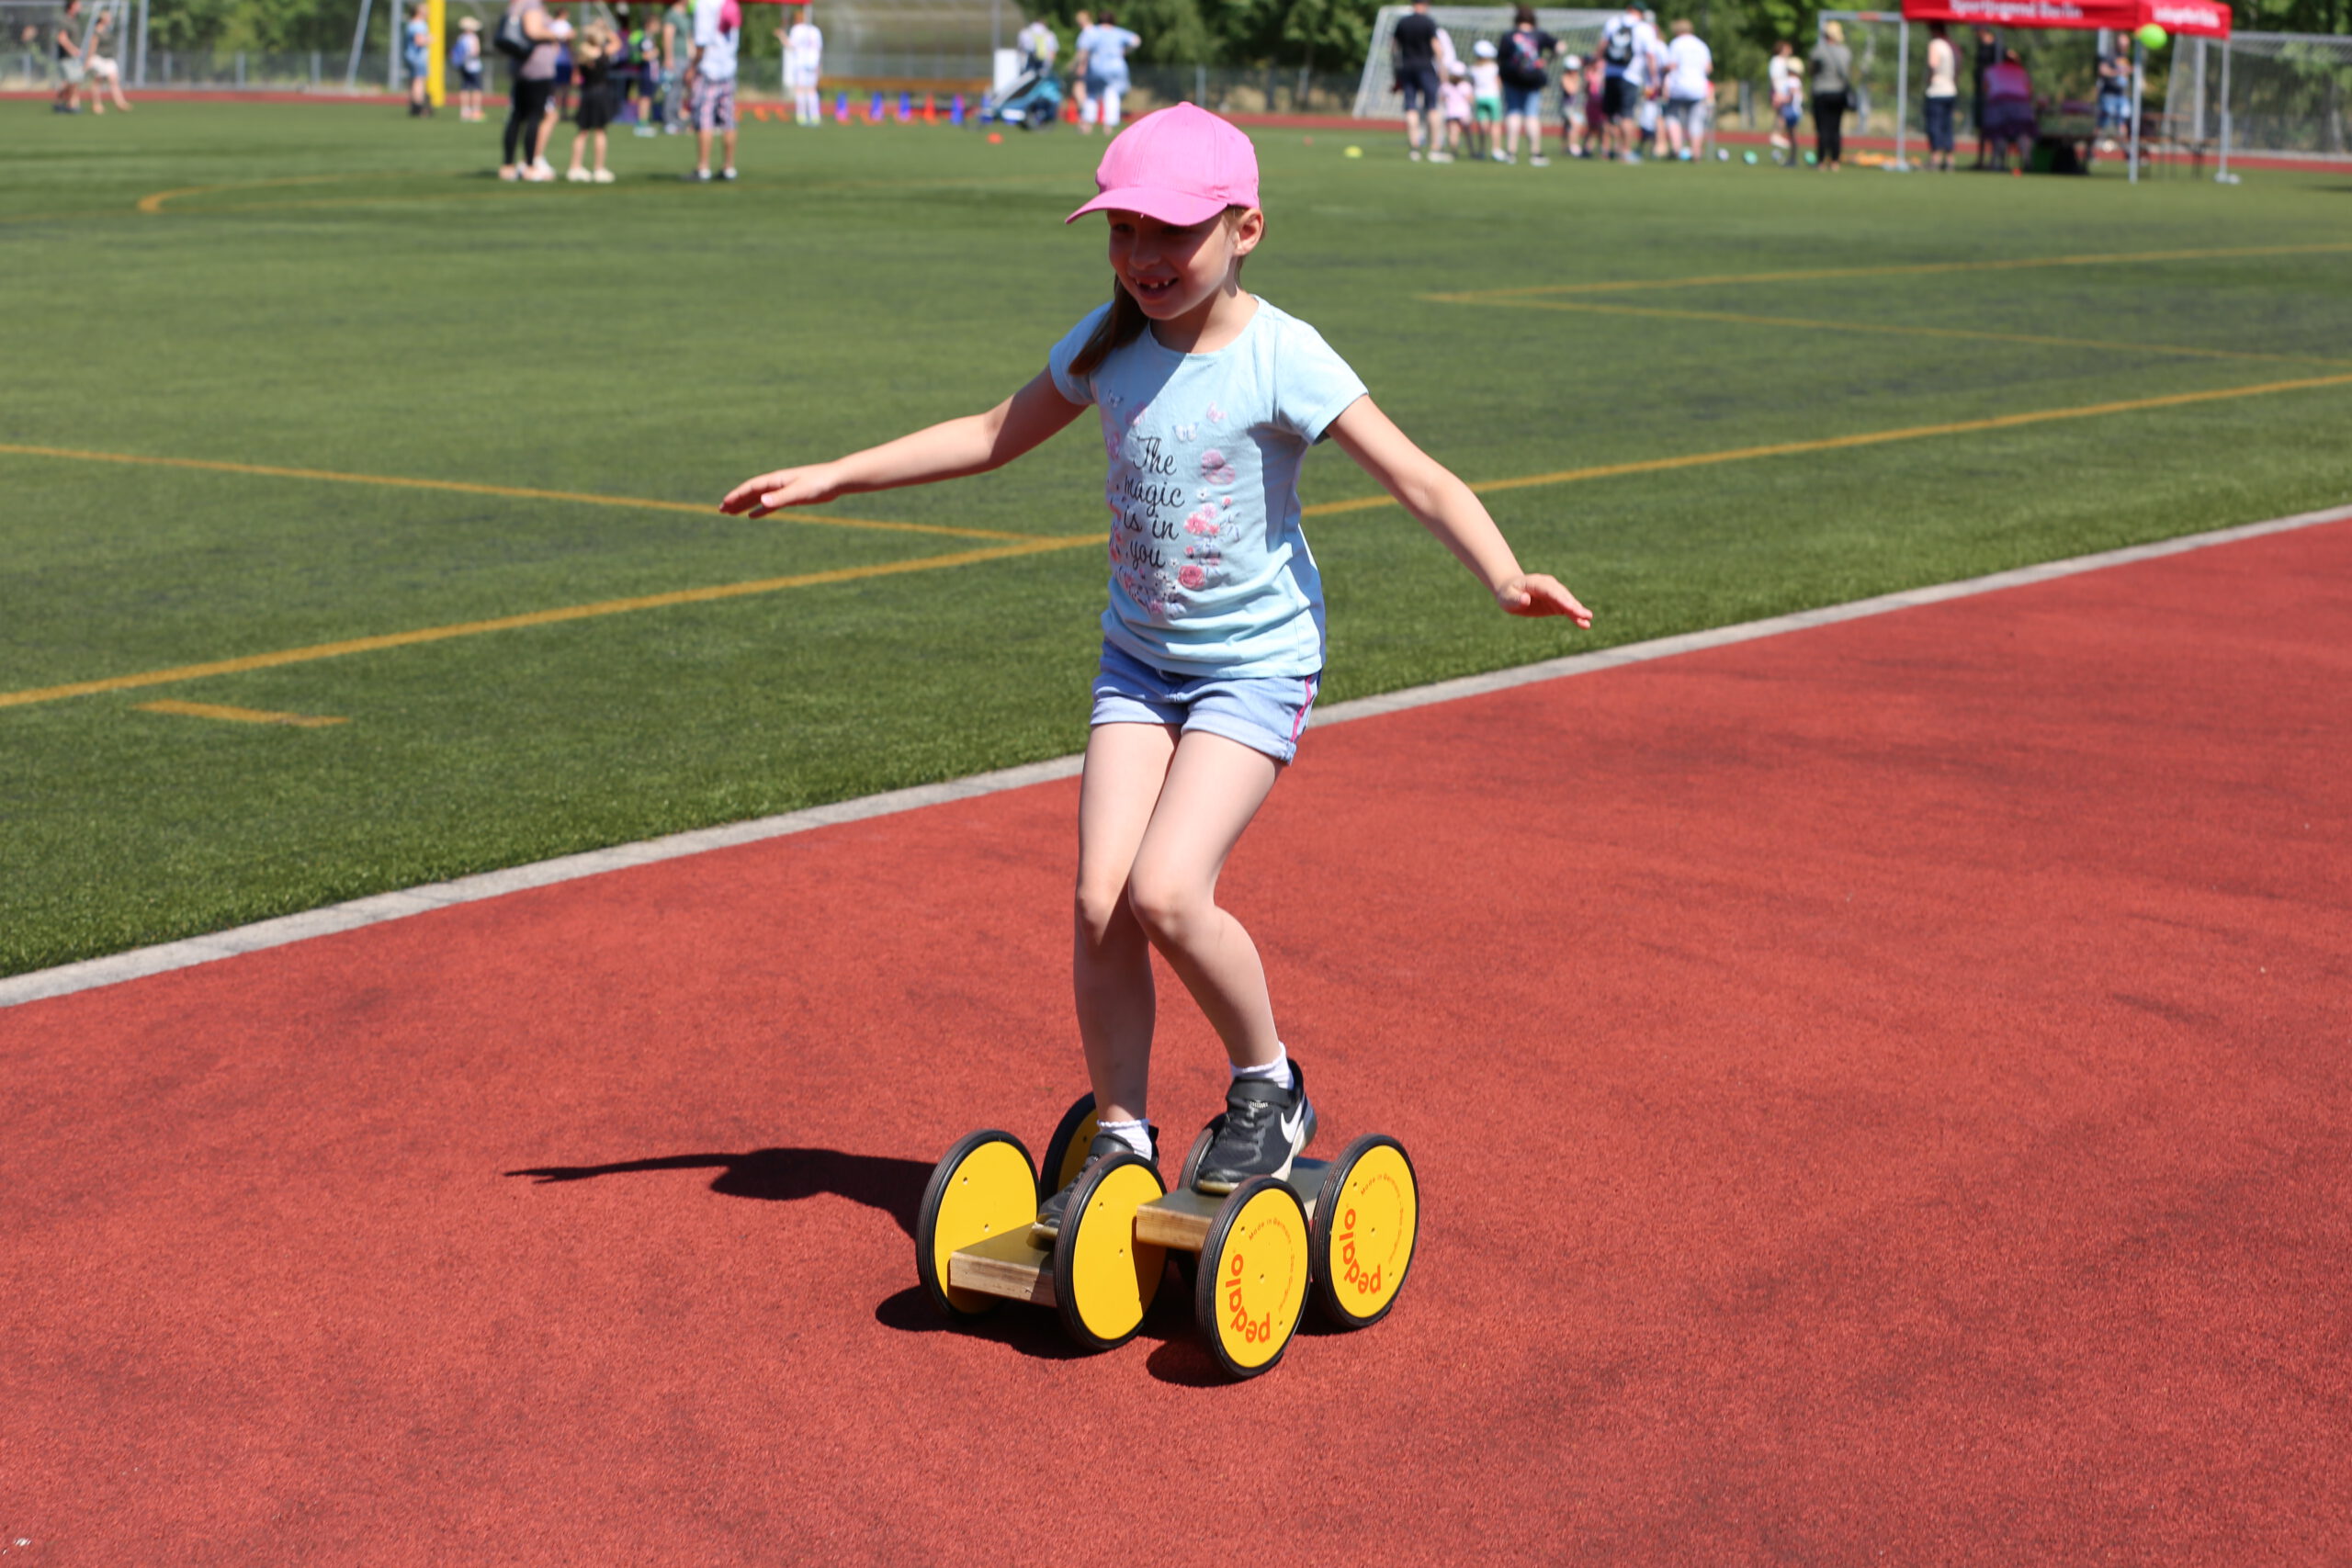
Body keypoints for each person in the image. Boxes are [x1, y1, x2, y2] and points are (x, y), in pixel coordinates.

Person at [718, 105, 1590, 1234]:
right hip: (1137, 663)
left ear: (1247, 229)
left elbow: (1416, 476)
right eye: (1123, 232)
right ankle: (1121, 1131)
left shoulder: (1284, 354)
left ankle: (1268, 1083)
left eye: (1172, 234)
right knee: (1096, 902)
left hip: (1251, 670)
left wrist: (1504, 573)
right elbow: (992, 431)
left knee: (1168, 892)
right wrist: (835, 475)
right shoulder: (1107, 343)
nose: (1143, 259)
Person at [498, 0, 569, 182]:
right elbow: (533, 31)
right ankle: (529, 165)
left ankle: (509, 165)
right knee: (534, 117)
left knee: (518, 116)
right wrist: (556, 35)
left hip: (523, 68)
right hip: (537, 69)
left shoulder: (517, 5)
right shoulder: (531, 5)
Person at [1498, 6, 1558, 165]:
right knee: (1531, 115)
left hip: (1512, 78)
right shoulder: (1539, 34)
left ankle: (1511, 152)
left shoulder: (1508, 35)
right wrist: (1547, 60)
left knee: (1513, 113)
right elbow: (1559, 46)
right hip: (1532, 79)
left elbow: (1501, 59)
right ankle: (1535, 153)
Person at [688, 0, 739, 181]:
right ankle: (729, 167)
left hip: (709, 68)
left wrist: (692, 67)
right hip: (728, 68)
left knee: (704, 118)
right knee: (728, 121)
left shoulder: (704, 4)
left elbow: (702, 41)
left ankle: (703, 167)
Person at [566, 17, 620, 181]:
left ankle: (574, 167)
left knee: (582, 132)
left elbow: (575, 80)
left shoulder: (581, 54)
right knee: (600, 131)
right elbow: (618, 42)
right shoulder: (603, 52)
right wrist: (605, 29)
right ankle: (599, 168)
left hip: (587, 94)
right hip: (601, 93)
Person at [1390, 0, 1443, 163]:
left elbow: (1393, 48)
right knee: (1432, 108)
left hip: (1407, 67)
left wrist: (1396, 70)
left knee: (1410, 107)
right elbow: (1437, 47)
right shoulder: (1428, 22)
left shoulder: (1403, 22)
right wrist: (1441, 68)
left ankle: (1414, 149)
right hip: (1426, 68)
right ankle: (1435, 149)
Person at [1596, 2, 1649, 160]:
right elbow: (1650, 55)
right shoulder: (1644, 28)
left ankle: (1604, 150)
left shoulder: (1613, 22)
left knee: (1607, 115)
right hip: (1631, 77)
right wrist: (1653, 79)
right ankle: (1624, 151)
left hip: (1610, 74)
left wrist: (1594, 63)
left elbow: (1602, 46)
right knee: (1627, 116)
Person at [1077, 11, 1138, 134]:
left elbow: (1083, 49)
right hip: (1116, 68)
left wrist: (1081, 65)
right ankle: (1108, 127)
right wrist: (1126, 51)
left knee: (1092, 95)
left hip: (1096, 68)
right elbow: (1136, 40)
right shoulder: (1119, 32)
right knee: (1112, 95)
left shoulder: (1092, 32)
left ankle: (1087, 125)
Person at [1659, 18, 1710, 161]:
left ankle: (1676, 148)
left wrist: (1662, 70)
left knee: (1672, 115)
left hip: (1679, 85)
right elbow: (1708, 67)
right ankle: (1696, 152)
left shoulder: (1676, 44)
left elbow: (1671, 65)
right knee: (1696, 121)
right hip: (1698, 87)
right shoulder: (1701, 45)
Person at [1808, 19, 1852, 171]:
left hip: (1821, 92)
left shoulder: (1819, 50)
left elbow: (1811, 69)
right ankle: (1835, 162)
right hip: (1839, 93)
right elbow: (1846, 73)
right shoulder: (1845, 52)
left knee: (1822, 128)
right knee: (1835, 128)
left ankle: (1821, 161)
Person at [1983, 46, 2034, 172]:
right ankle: (2027, 161)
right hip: (2020, 104)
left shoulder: (1991, 70)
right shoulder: (2022, 71)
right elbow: (2029, 91)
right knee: (2023, 134)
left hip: (1999, 103)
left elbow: (1986, 89)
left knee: (1999, 134)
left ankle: (1997, 163)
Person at [1923, 21, 1958, 171]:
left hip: (1937, 90)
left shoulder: (1935, 44)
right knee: (1947, 125)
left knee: (1934, 125)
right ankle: (1950, 159)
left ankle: (1935, 159)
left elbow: (1933, 64)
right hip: (1950, 90)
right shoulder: (1950, 45)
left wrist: (1928, 79)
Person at [84, 7, 130, 114]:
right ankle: (96, 105)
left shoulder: (107, 30)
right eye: (108, 17)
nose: (109, 19)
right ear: (102, 19)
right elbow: (92, 46)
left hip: (109, 59)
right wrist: (88, 60)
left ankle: (120, 102)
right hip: (99, 58)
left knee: (113, 79)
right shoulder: (97, 30)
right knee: (97, 81)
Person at [782, 6, 822, 126]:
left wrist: (781, 35)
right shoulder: (816, 31)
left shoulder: (796, 30)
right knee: (812, 90)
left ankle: (802, 116)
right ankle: (815, 116)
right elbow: (819, 49)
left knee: (800, 90)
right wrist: (819, 66)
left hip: (800, 63)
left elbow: (790, 45)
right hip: (813, 63)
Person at [1767, 38, 1802, 163]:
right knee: (1781, 114)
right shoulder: (1776, 61)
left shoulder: (1786, 62)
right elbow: (1775, 78)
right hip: (1780, 92)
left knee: (1786, 118)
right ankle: (1776, 134)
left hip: (1785, 94)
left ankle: (1780, 137)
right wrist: (1778, 93)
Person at [1469, 39, 1504, 161]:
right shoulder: (1493, 67)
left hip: (1479, 97)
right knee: (1495, 124)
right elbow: (1498, 82)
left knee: (1482, 126)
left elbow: (1472, 84)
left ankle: (1482, 150)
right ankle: (1496, 149)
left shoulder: (1473, 68)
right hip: (1493, 97)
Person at [2096, 36, 2131, 152]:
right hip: (2108, 95)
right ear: (2117, 44)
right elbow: (2102, 70)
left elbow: (2126, 72)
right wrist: (2116, 72)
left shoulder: (2125, 56)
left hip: (2121, 95)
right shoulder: (2110, 55)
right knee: (2103, 123)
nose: (2124, 47)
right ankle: (2092, 152)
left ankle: (2127, 152)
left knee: (2122, 123)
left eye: (2126, 45)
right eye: (2122, 44)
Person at [662, 0, 693, 132]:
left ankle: (678, 118)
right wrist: (669, 57)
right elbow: (668, 36)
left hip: (687, 58)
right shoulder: (672, 15)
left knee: (681, 91)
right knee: (673, 90)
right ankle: (670, 121)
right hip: (676, 57)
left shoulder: (686, 14)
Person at [1971, 25, 1998, 167]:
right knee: (1981, 127)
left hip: (1993, 94)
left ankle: (1994, 159)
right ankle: (1980, 159)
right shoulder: (1980, 46)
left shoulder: (1997, 47)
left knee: (1993, 127)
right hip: (1981, 92)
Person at [1439, 58, 1475, 161]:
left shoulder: (1446, 85)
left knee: (1453, 132)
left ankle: (1454, 151)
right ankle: (1471, 151)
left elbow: (1442, 98)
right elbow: (1470, 99)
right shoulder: (1465, 85)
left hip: (1451, 112)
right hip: (1464, 112)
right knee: (1467, 133)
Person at [51, 0, 83, 115]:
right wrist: (73, 50)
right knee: (73, 80)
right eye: (78, 4)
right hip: (66, 56)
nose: (80, 6)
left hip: (72, 56)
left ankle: (59, 103)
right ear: (71, 6)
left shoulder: (74, 20)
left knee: (70, 81)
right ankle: (72, 104)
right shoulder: (64, 20)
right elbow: (62, 38)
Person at [452, 16, 485, 121]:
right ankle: (476, 110)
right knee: (477, 88)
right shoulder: (473, 38)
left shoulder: (460, 37)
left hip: (463, 66)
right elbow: (476, 52)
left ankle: (465, 111)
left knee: (464, 87)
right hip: (474, 66)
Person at [404, 2, 433, 116]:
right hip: (418, 58)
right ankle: (419, 107)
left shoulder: (411, 23)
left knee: (413, 81)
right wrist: (429, 39)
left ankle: (414, 106)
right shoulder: (419, 24)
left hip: (410, 56)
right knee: (419, 81)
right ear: (420, 11)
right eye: (425, 9)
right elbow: (419, 41)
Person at [1556, 52, 1587, 156]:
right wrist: (1576, 82)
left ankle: (1566, 147)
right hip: (1567, 107)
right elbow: (1571, 90)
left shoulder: (1576, 77)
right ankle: (1572, 146)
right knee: (1574, 125)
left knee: (1568, 126)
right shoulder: (1565, 77)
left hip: (1574, 106)